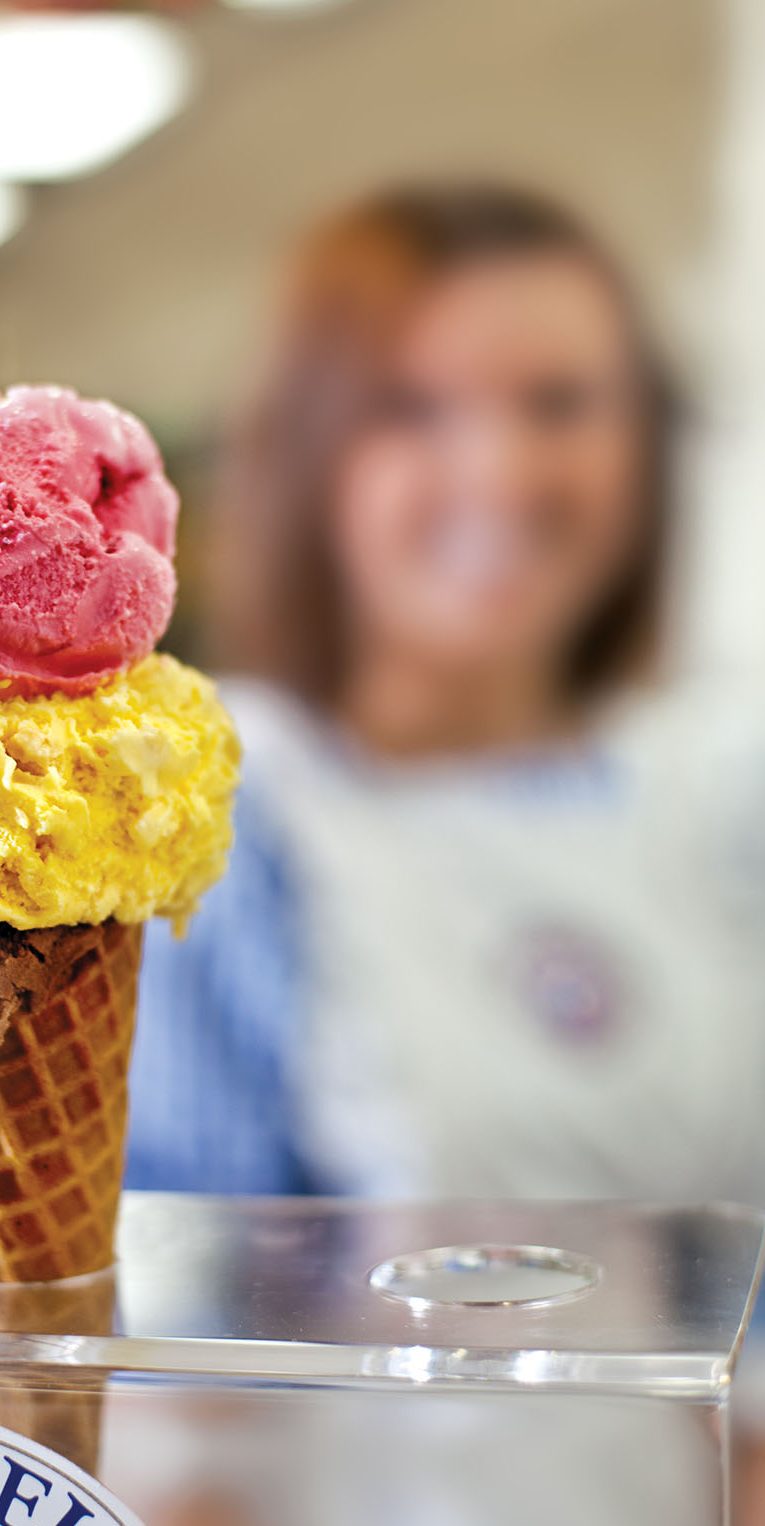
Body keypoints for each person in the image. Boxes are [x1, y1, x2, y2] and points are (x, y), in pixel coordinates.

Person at [126, 182, 765, 1211]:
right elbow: (188, 1323)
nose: (501, 472)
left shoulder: (723, 779)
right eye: (409, 410)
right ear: (309, 455)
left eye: (559, 402)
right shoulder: (215, 811)